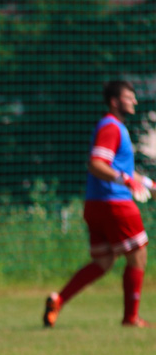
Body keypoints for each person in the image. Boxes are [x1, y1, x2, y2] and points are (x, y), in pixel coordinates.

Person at [43, 80, 154, 328]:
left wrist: (148, 184)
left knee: (103, 262)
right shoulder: (112, 127)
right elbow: (97, 164)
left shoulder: (113, 127)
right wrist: (125, 180)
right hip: (114, 203)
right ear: (115, 101)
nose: (134, 101)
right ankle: (131, 318)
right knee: (138, 256)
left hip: (95, 204)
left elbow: (120, 169)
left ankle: (57, 300)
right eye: (129, 97)